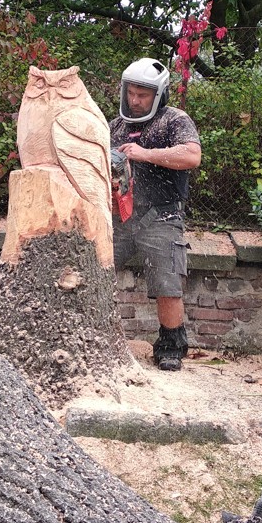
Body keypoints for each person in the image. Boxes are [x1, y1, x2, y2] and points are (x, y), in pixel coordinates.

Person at [109, 58, 201, 371]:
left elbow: (192, 155)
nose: (135, 100)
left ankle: (171, 346)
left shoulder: (175, 119)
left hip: (162, 216)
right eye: (131, 93)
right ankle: (95, 335)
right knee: (96, 270)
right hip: (120, 217)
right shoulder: (116, 126)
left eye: (143, 95)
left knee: (167, 283)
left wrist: (145, 154)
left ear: (158, 95)